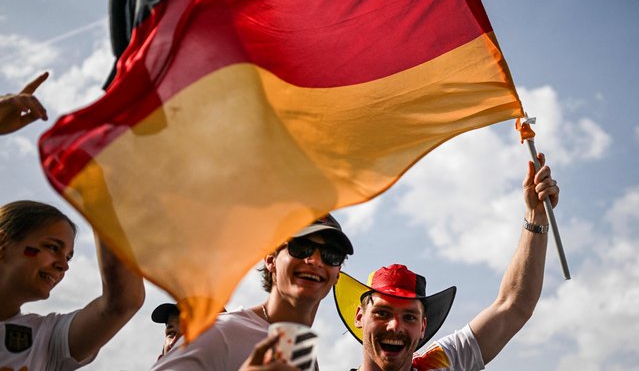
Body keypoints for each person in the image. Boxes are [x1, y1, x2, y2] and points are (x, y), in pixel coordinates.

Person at [334, 153, 559, 371]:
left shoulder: (440, 364)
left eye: (410, 317)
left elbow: (513, 305)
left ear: (422, 326)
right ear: (360, 317)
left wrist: (535, 216)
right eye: (382, 313)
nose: (395, 326)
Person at [151, 213, 354, 370]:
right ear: (270, 260)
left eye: (331, 255)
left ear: (337, 275)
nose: (315, 261)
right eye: (301, 247)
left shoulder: (303, 352)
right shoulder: (218, 333)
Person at [0, 200, 145, 370]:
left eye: (68, 257)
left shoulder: (45, 340)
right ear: (3, 242)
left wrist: (98, 200)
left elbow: (123, 302)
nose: (64, 265)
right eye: (53, 248)